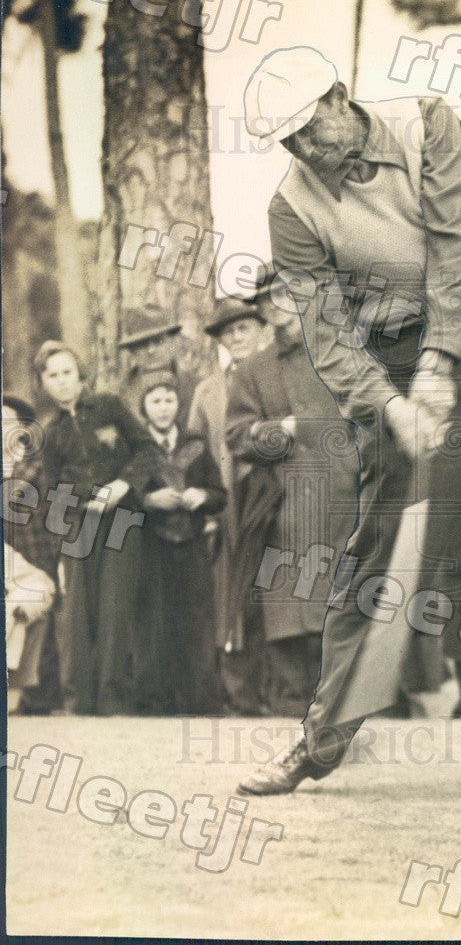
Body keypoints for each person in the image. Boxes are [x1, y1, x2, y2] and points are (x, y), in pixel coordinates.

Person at [235, 46, 461, 802]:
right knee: (376, 562)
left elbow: (454, 247)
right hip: (395, 377)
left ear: (342, 97)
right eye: (291, 141)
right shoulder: (291, 209)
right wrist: (393, 402)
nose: (309, 148)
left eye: (313, 128)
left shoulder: (429, 124)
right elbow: (327, 332)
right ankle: (320, 741)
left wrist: (443, 360)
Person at [226, 268, 361, 716]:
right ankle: (289, 723)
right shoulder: (252, 372)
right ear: (261, 308)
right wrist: (281, 430)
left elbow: (373, 425)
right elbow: (237, 437)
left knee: (340, 623)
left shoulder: (343, 359)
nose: (279, 304)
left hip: (344, 509)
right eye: (268, 298)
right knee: (288, 629)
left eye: (289, 293)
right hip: (283, 515)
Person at [35, 340, 158, 715]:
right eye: (52, 376)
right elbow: (51, 492)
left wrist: (123, 485)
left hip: (120, 517)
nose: (62, 382)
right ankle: (80, 702)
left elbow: (146, 449)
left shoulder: (109, 406)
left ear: (80, 373)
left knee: (115, 605)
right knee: (77, 612)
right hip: (77, 525)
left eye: (67, 372)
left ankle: (112, 700)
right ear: (42, 383)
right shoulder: (49, 432)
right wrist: (61, 549)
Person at [187, 298, 269, 714]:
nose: (237, 338)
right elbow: (193, 452)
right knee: (231, 596)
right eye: (228, 333)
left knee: (275, 591)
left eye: (244, 330)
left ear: (260, 331)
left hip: (272, 501)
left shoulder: (278, 378)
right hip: (228, 506)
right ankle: (239, 694)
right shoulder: (208, 390)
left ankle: (283, 692)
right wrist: (205, 507)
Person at [136, 372, 226, 714]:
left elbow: (220, 495)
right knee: (153, 622)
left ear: (179, 403)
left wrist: (200, 494)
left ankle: (199, 703)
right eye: (155, 401)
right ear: (144, 406)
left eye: (169, 400)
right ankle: (155, 704)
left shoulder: (196, 445)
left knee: (195, 621)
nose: (163, 408)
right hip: (151, 547)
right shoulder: (136, 446)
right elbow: (125, 496)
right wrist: (149, 500)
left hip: (191, 546)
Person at [3, 395, 59, 713]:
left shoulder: (36, 465)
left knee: (30, 608)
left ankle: (31, 694)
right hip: (13, 557)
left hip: (39, 553)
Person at [118, 308, 198, 424]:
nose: (151, 350)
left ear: (171, 343)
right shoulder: (122, 395)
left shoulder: (194, 388)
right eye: (142, 343)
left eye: (158, 341)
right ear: (132, 350)